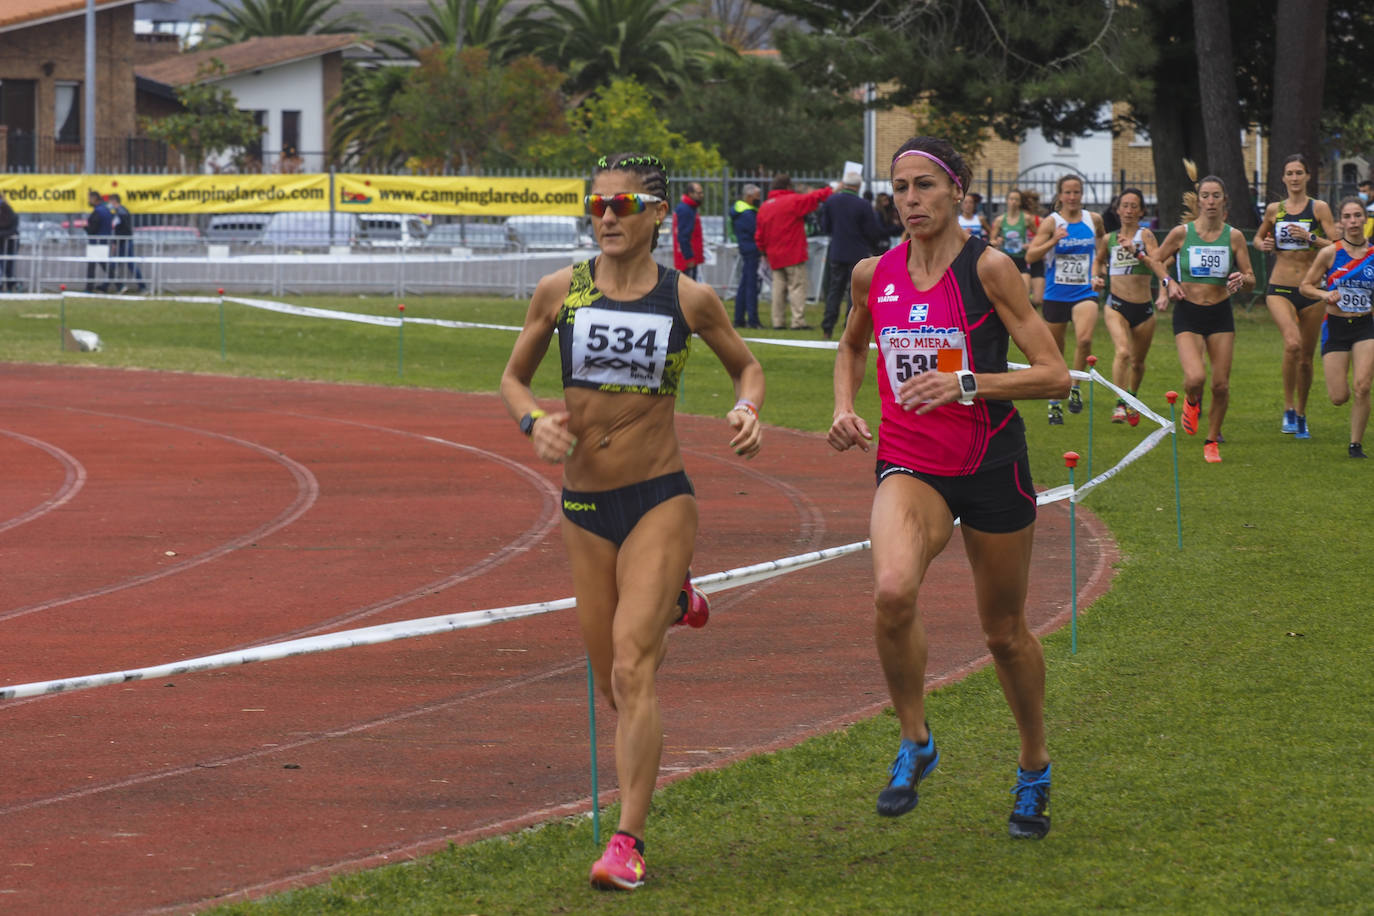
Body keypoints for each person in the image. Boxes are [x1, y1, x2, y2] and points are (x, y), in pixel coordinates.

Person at [500, 152, 764, 892]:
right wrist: (531, 425)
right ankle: (678, 599)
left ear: (657, 214)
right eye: (597, 207)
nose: (608, 218)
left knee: (631, 664)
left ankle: (627, 841)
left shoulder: (689, 299)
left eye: (623, 206)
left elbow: (748, 368)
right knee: (612, 687)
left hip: (659, 497)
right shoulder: (562, 291)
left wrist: (747, 407)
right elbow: (512, 377)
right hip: (585, 508)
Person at [828, 136, 1070, 840]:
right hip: (911, 464)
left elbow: (1054, 375)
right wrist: (845, 407)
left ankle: (1033, 765)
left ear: (956, 191)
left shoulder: (990, 269)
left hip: (992, 464)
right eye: (900, 188)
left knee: (1003, 633)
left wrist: (967, 383)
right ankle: (916, 740)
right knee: (893, 591)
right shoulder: (875, 274)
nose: (910, 200)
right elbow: (849, 346)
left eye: (925, 186)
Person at [1149, 170, 1256, 463]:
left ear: (1225, 202)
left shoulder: (1233, 237)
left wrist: (1240, 280)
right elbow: (1156, 260)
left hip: (1220, 313)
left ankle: (1211, 441)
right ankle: (1192, 401)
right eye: (1205, 196)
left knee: (1220, 384)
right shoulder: (1182, 234)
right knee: (1195, 377)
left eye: (1216, 196)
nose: (1210, 202)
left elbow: (1251, 277)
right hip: (1188, 313)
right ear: (1198, 202)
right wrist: (1168, 283)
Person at [1255, 154, 1338, 439]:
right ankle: (1288, 408)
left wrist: (1310, 237)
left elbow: (1338, 245)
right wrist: (1265, 244)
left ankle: (1302, 413)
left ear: (1307, 176)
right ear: (1283, 177)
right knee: (1292, 344)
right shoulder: (1274, 210)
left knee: (1305, 358)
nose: (1294, 178)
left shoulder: (1319, 208)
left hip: (1312, 289)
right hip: (1280, 287)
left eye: (1299, 173)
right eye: (1289, 173)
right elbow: (1258, 239)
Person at [1298, 196, 1374, 459]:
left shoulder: (1373, 255)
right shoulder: (1330, 253)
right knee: (1339, 396)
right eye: (1348, 217)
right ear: (1341, 222)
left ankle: (1355, 444)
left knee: (1363, 386)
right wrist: (1324, 295)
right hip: (1336, 327)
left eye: (1357, 216)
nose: (1353, 221)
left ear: (1365, 219)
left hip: (1365, 326)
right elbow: (1305, 286)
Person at [1026, 175, 1103, 424]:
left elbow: (1103, 245)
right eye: (1067, 192)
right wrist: (1053, 240)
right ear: (1060, 195)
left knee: (1085, 338)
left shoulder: (1094, 220)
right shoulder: (1052, 222)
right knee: (1055, 350)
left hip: (1084, 292)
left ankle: (1076, 386)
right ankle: (1054, 401)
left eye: (1076, 192)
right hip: (1056, 293)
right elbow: (1031, 255)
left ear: (1082, 194)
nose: (1072, 197)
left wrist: (1098, 272)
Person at [1091, 188, 1161, 426]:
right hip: (1116, 305)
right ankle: (1120, 404)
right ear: (1118, 210)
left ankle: (1131, 397)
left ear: (1141, 211)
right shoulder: (1108, 239)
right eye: (1125, 205)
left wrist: (1137, 251)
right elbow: (1098, 262)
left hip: (1144, 309)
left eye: (1134, 206)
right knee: (1122, 352)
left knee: (1138, 363)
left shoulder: (1147, 236)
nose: (1129, 210)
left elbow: (1157, 264)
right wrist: (1097, 277)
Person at [755, 173, 833, 330]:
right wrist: (831, 189)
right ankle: (797, 321)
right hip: (792, 252)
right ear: (788, 186)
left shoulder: (765, 206)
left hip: (773, 254)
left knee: (778, 289)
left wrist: (763, 250)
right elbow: (813, 198)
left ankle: (778, 321)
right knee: (797, 286)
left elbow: (759, 233)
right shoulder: (792, 200)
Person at [819, 170, 884, 340]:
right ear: (859, 186)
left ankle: (827, 328)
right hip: (857, 253)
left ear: (844, 183)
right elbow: (872, 231)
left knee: (834, 290)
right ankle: (850, 326)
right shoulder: (862, 205)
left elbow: (825, 226)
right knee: (854, 294)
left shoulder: (831, 201)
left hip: (837, 251)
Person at [990, 188, 1033, 298]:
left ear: (1020, 202)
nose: (1013, 202)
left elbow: (1040, 236)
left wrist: (1030, 245)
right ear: (1007, 201)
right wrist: (997, 241)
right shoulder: (1000, 220)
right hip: (1006, 261)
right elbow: (991, 241)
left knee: (1025, 293)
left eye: (1016, 199)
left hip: (1022, 260)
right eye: (1011, 199)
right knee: (1007, 296)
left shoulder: (1027, 218)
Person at [730, 183, 763, 329]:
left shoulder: (740, 210)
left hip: (746, 248)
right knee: (751, 286)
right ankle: (753, 320)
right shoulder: (748, 213)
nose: (759, 199)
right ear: (749, 196)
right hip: (751, 249)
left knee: (744, 285)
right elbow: (756, 231)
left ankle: (739, 318)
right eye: (757, 196)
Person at [108, 192, 147, 294]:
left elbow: (121, 229)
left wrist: (115, 242)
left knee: (128, 264)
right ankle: (108, 286)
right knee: (114, 265)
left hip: (123, 242)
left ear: (114, 201)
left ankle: (142, 287)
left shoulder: (121, 212)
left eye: (110, 201)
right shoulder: (121, 211)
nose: (109, 204)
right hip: (123, 241)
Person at [672, 181, 705, 281]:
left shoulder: (689, 208)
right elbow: (683, 236)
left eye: (701, 192)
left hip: (689, 256)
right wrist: (689, 257)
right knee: (688, 289)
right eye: (699, 193)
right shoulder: (686, 209)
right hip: (687, 259)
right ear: (690, 194)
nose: (701, 195)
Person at [84, 190, 114, 293]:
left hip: (96, 242)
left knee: (92, 266)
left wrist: (85, 227)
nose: (89, 201)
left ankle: (89, 288)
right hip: (104, 241)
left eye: (90, 199)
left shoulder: (97, 212)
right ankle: (119, 284)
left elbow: (93, 229)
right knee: (104, 265)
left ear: (94, 199)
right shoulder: (106, 210)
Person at [1021, 189, 1046, 309]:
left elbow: (1046, 240)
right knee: (1024, 295)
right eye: (1027, 202)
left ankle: (1031, 305)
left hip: (1037, 259)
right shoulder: (1017, 220)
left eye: (1033, 202)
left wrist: (1033, 246)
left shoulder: (1040, 221)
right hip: (1021, 259)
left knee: (1038, 299)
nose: (1031, 205)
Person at [0, 191, 18, 292]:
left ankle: (11, 286)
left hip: (9, 242)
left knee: (9, 265)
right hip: (3, 241)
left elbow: (12, 227)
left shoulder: (7, 209)